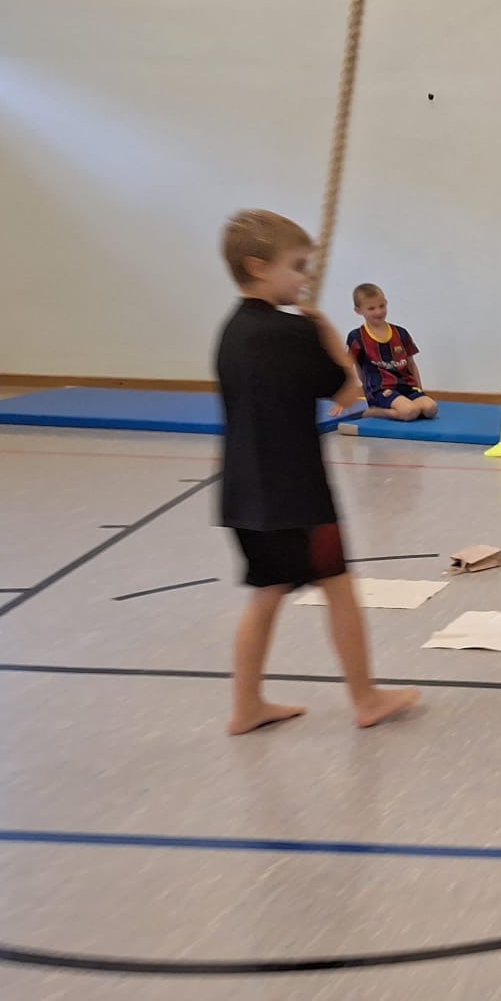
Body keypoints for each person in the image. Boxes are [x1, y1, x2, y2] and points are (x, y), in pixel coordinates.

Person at [216, 211, 420, 735]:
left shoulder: (232, 330)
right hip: (296, 493)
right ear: (258, 266)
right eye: (298, 266)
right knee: (339, 587)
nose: (306, 277)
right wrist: (328, 333)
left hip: (244, 491)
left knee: (266, 592)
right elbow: (349, 393)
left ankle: (245, 706)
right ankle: (367, 698)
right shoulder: (292, 332)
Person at [346, 282, 438, 421]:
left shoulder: (400, 333)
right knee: (410, 412)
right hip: (381, 389)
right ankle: (376, 411)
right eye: (371, 308)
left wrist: (419, 388)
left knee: (431, 409)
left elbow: (411, 364)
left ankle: (405, 406)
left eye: (382, 306)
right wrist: (361, 391)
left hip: (406, 386)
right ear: (358, 311)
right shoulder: (357, 337)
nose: (378, 312)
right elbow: (351, 366)